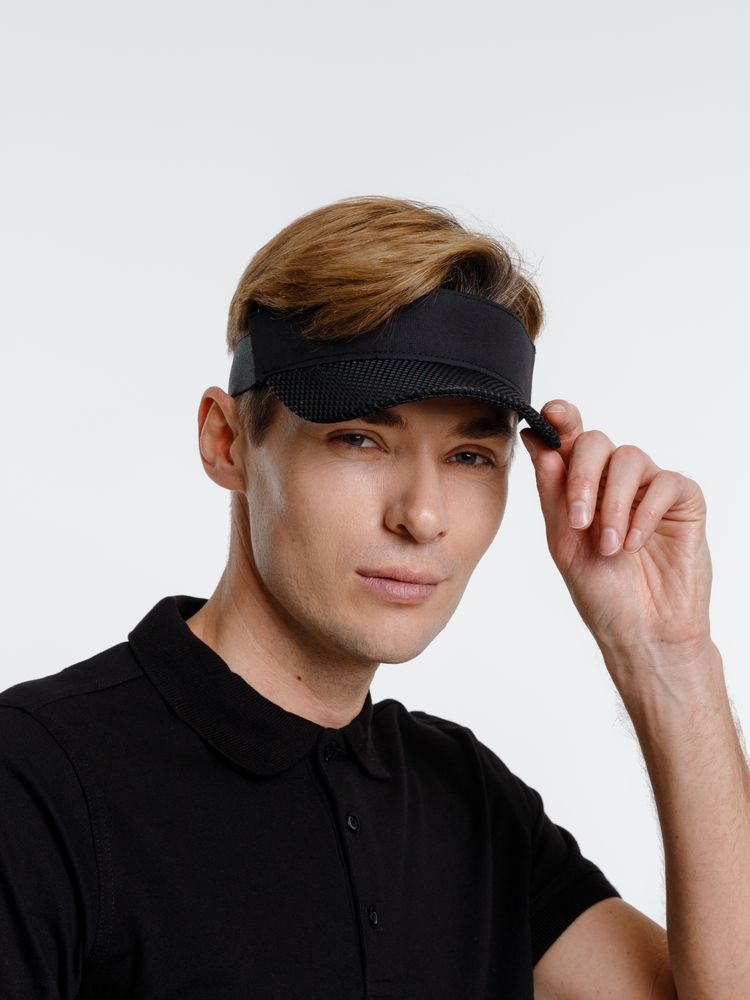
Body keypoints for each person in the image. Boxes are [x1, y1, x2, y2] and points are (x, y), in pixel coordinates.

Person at [3, 194, 736, 1000]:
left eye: (469, 456)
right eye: (359, 439)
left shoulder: (468, 799)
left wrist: (671, 660)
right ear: (227, 441)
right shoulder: (36, 778)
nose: (422, 517)